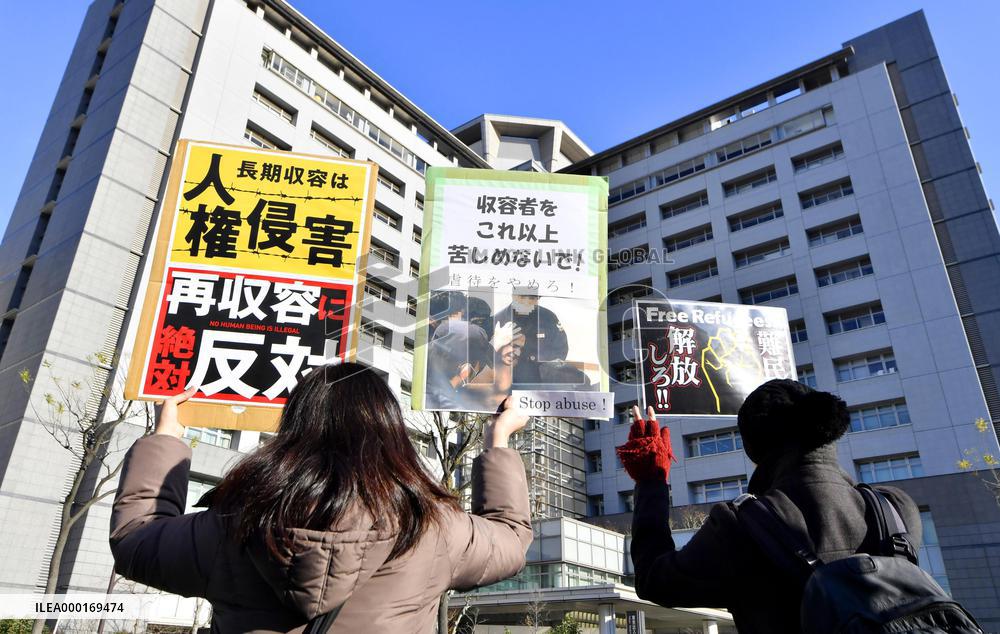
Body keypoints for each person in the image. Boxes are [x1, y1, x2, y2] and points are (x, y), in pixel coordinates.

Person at [110, 362, 532, 633]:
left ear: (293, 424)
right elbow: (511, 540)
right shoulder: (432, 528)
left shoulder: (232, 522)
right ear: (391, 434)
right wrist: (498, 440)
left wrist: (166, 437)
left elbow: (135, 541)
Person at [619, 379, 922, 634]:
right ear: (825, 431)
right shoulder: (895, 508)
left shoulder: (740, 527)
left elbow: (654, 581)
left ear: (752, 450)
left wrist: (652, 478)